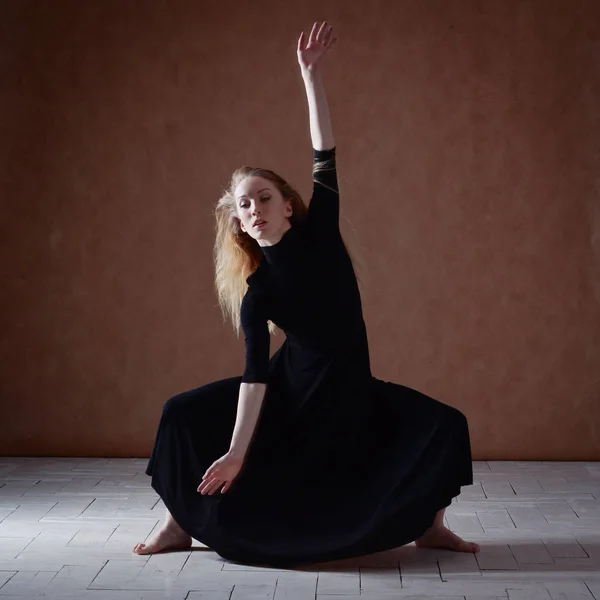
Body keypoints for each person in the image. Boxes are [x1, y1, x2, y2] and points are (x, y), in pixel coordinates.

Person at [134, 21, 480, 566]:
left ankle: (431, 526)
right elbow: (254, 375)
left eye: (262, 197)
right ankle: (177, 524)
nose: (254, 209)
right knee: (182, 414)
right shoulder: (259, 292)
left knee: (443, 425)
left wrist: (310, 76)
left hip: (349, 389)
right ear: (241, 226)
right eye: (243, 207)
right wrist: (236, 453)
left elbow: (325, 151)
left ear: (286, 204)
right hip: (292, 389)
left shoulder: (321, 232)